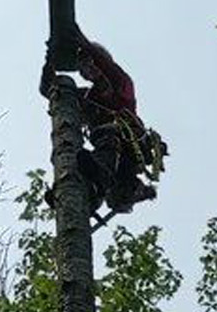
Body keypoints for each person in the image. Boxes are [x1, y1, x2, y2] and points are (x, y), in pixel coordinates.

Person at [40, 29, 166, 216]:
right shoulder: (88, 97)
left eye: (89, 63)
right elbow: (49, 90)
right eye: (82, 67)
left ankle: (101, 184)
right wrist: (48, 64)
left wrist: (84, 44)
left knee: (106, 145)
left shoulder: (121, 82)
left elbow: (106, 66)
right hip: (109, 155)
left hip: (127, 141)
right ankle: (86, 194)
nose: (86, 70)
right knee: (91, 161)